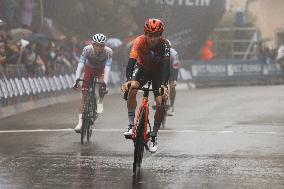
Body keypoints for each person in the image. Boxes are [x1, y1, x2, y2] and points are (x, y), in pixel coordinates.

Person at [121, 18, 170, 153]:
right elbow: (131, 61)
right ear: (145, 34)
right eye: (150, 35)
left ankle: (154, 135)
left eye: (156, 36)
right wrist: (128, 80)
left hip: (158, 73)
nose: (153, 39)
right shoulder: (139, 41)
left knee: (161, 101)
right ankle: (131, 125)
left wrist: (164, 85)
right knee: (133, 87)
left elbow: (166, 66)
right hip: (142, 69)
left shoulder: (165, 44)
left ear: (160, 35)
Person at [73, 33, 113, 133]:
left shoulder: (108, 52)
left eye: (101, 46)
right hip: (89, 69)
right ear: (93, 44)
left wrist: (105, 84)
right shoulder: (87, 49)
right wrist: (77, 79)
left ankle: (100, 102)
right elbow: (81, 64)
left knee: (101, 85)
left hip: (101, 70)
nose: (99, 48)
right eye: (96, 45)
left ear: (104, 46)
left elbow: (107, 69)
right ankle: (80, 123)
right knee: (84, 96)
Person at [167, 40, 181, 116]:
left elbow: (175, 68)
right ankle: (157, 101)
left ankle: (172, 105)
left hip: (171, 70)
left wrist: (174, 80)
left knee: (172, 87)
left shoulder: (173, 53)